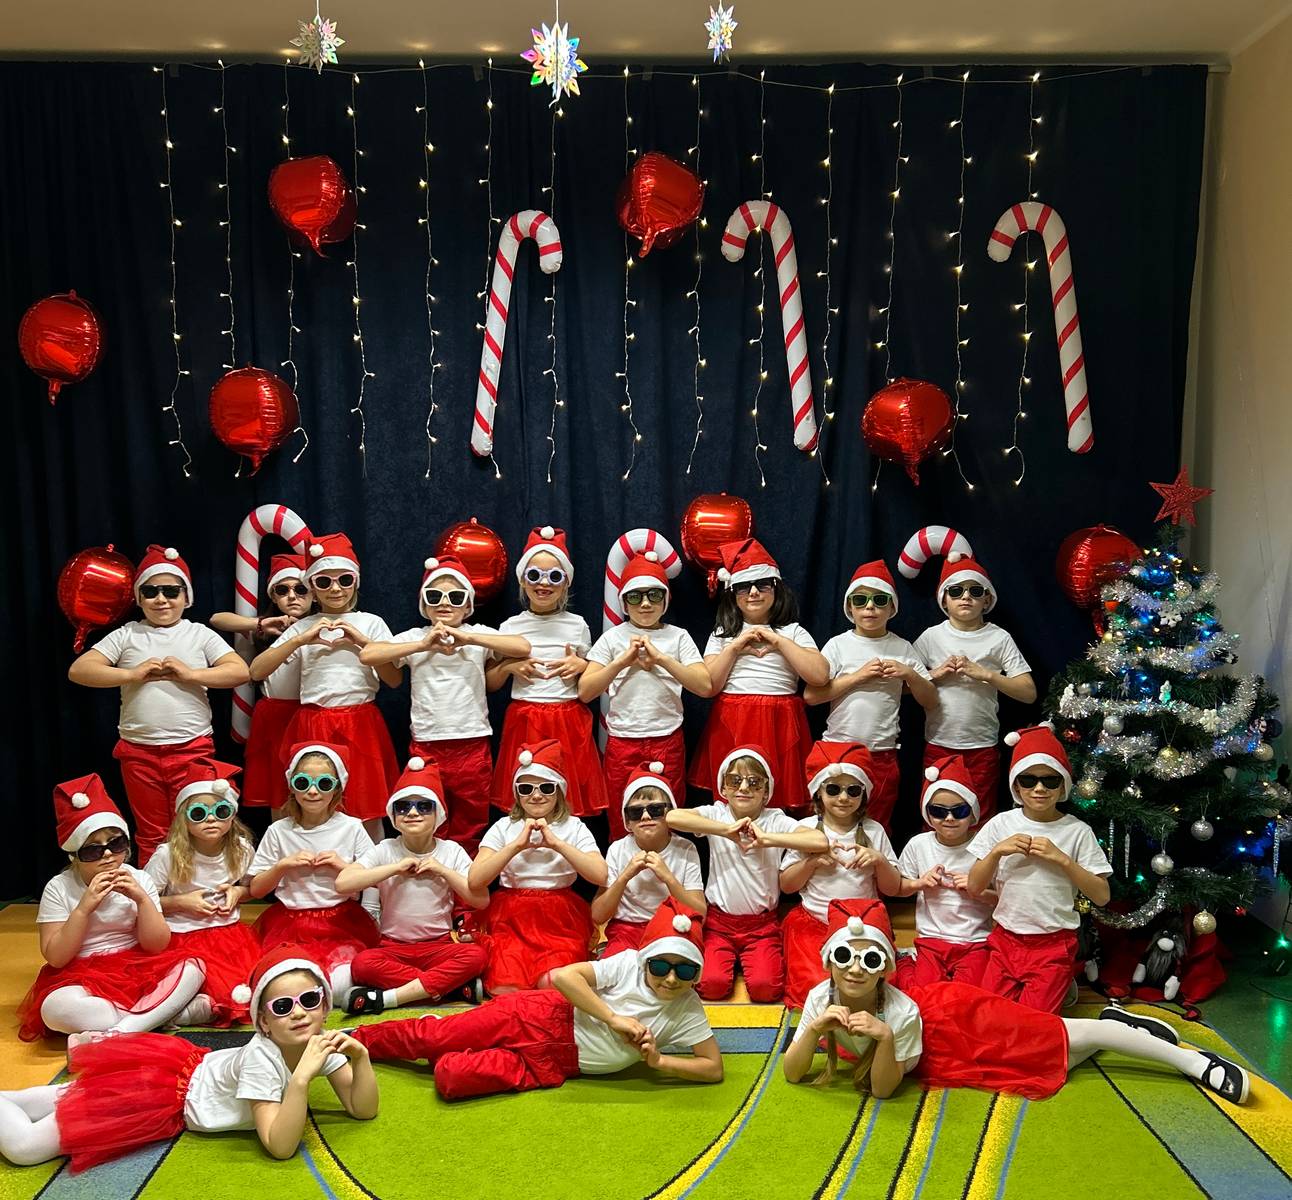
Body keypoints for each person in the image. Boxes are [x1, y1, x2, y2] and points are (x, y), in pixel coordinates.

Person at [783, 899, 1250, 1105]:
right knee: (1056, 1060)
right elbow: (793, 1072)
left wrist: (886, 1037)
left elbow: (884, 1090)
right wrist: (813, 1028)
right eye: (843, 956)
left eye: (870, 959)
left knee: (1059, 1037)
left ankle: (1190, 1061)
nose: (855, 969)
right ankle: (1121, 1028)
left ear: (885, 967)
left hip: (956, 1017)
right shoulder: (820, 997)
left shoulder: (899, 1011)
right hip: (937, 1053)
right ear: (828, 962)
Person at [0, 946, 379, 1172]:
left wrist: (360, 1059)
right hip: (164, 1094)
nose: (298, 1013)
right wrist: (300, 1081)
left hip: (177, 1072)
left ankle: (11, 1101)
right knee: (26, 1148)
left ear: (324, 1006)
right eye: (282, 1006)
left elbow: (362, 1109)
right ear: (263, 1021)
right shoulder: (261, 1058)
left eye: (309, 1000)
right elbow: (280, 1147)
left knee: (61, 1098)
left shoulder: (318, 1044)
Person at [349, 898, 722, 1100]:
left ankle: (455, 1041)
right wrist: (613, 1018)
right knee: (431, 1038)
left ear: (696, 976)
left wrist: (660, 1061)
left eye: (685, 971)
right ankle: (353, 1041)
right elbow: (564, 976)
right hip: (535, 1015)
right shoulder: (627, 964)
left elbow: (713, 1068)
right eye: (661, 966)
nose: (670, 979)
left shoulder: (686, 1008)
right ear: (646, 960)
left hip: (550, 1065)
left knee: (450, 1078)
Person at [67, 545, 248, 862]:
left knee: (197, 827)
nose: (161, 599)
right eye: (150, 592)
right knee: (151, 833)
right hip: (139, 752)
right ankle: (155, 890)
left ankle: (195, 888)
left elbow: (240, 671)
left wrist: (191, 674)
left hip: (192, 748)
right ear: (138, 599)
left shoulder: (199, 634)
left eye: (171, 591)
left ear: (186, 596)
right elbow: (79, 670)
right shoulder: (127, 634)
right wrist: (131, 674)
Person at [359, 554, 530, 855]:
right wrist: (423, 645)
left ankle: (465, 879)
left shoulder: (477, 634)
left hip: (472, 742)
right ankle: (430, 877)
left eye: (456, 597)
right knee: (427, 817)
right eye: (435, 596)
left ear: (468, 605)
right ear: (424, 604)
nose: (445, 603)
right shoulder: (416, 637)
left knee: (471, 820)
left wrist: (469, 638)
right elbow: (369, 654)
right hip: (427, 745)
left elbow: (522, 646)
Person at [18, 775, 205, 1043]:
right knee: (55, 1010)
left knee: (193, 967)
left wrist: (142, 900)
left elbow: (157, 945)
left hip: (138, 965)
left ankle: (121, 1031)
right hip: (81, 974)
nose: (107, 855)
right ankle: (163, 1015)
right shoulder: (59, 887)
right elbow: (56, 957)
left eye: (116, 844)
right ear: (74, 855)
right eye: (92, 850)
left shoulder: (139, 878)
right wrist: (83, 909)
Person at [250, 533, 401, 840]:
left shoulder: (371, 623)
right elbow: (256, 671)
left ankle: (368, 867)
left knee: (365, 805)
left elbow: (394, 679)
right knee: (313, 804)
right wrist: (300, 639)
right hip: (312, 723)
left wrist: (362, 642)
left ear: (355, 582)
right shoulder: (304, 626)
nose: (335, 588)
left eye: (344, 579)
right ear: (313, 587)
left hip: (360, 723)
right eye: (324, 581)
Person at [966, 726, 1112, 1012]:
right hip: (1005, 940)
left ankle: (1058, 981)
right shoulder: (1000, 824)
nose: (1039, 789)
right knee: (990, 1015)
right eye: (1029, 780)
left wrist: (1063, 860)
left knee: (1033, 1022)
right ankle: (1053, 985)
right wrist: (996, 852)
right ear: (1016, 786)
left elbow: (1102, 896)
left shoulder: (1077, 831)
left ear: (1063, 785)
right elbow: (974, 887)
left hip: (1053, 943)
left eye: (1050, 780)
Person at [667, 746, 829, 1002]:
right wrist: (725, 830)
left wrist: (767, 839)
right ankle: (731, 961)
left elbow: (819, 841)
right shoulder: (717, 813)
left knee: (767, 989)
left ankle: (748, 960)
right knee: (711, 986)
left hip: (761, 925)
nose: (743, 788)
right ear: (724, 788)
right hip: (719, 923)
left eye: (754, 783)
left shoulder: (774, 819)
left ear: (766, 792)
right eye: (735, 781)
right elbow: (673, 817)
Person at [335, 756, 489, 1014]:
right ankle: (448, 989)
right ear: (394, 815)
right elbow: (343, 883)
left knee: (476, 956)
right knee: (362, 964)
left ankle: (388, 998)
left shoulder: (451, 850)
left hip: (439, 946)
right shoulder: (385, 849)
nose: (413, 813)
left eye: (424, 806)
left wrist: (443, 871)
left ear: (438, 814)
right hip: (393, 947)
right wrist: (394, 868)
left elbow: (481, 900)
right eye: (403, 807)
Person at [688, 539, 827, 815]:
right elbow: (709, 685)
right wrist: (735, 647)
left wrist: (779, 641)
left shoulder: (793, 631)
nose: (753, 592)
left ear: (776, 588)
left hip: (780, 722)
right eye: (744, 586)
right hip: (733, 721)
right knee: (735, 795)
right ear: (733, 593)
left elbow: (820, 676)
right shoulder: (722, 634)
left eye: (762, 585)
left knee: (776, 799)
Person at [580, 550, 710, 841]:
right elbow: (586, 691)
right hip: (622, 743)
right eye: (636, 596)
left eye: (654, 594)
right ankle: (623, 868)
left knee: (669, 817)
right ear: (624, 603)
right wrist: (622, 662)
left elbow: (704, 686)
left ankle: (668, 868)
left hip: (667, 740)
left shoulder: (678, 636)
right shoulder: (613, 638)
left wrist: (661, 659)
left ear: (665, 599)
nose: (646, 603)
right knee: (622, 816)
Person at [804, 559, 936, 831]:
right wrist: (858, 677)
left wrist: (910, 674)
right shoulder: (838, 645)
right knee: (828, 826)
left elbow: (931, 700)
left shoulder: (902, 647)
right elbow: (811, 696)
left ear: (892, 607)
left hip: (881, 754)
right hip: (837, 750)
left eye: (879, 600)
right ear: (850, 607)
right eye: (861, 600)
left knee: (875, 827)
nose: (870, 607)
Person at [487, 526, 607, 819]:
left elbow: (593, 677)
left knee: (567, 798)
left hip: (568, 718)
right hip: (525, 719)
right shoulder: (510, 627)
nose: (544, 583)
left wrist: (583, 665)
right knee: (527, 794)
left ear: (565, 583)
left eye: (554, 576)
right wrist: (509, 666)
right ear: (522, 580)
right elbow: (489, 683)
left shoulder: (577, 625)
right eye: (534, 575)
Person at [469, 740, 608, 994]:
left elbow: (600, 875)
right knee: (505, 987)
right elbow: (475, 880)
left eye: (546, 787)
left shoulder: (574, 826)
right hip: (511, 917)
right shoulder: (503, 827)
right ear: (517, 793)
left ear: (559, 791)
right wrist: (516, 846)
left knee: (555, 984)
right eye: (526, 788)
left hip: (560, 917)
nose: (536, 795)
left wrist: (557, 844)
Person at [247, 743, 380, 999]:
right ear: (291, 786)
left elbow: (375, 881)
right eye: (302, 782)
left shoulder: (351, 827)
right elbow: (257, 889)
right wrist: (283, 866)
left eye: (324, 784)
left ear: (338, 788)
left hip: (341, 923)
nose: (312, 791)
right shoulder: (279, 830)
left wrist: (342, 866)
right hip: (289, 923)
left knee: (339, 986)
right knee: (284, 980)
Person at [914, 554, 1036, 821]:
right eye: (956, 591)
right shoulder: (931, 637)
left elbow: (1028, 693)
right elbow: (902, 686)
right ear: (944, 599)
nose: (966, 597)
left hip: (982, 747)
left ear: (987, 600)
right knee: (937, 818)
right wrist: (934, 674)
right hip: (938, 744)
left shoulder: (999, 637)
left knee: (979, 819)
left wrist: (987, 675)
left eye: (975, 591)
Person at [780, 742, 901, 1008]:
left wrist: (879, 861)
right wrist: (810, 864)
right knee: (814, 986)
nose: (843, 798)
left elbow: (892, 889)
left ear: (863, 794)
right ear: (819, 792)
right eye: (834, 789)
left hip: (863, 924)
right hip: (815, 921)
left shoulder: (874, 830)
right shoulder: (805, 829)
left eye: (853, 790)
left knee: (881, 986)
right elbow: (786, 885)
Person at [143, 760, 262, 1025]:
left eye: (221, 811)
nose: (210, 819)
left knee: (248, 992)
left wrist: (238, 893)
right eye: (199, 813)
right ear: (183, 819)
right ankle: (179, 1010)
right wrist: (180, 902)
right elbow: (143, 902)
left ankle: (191, 1011)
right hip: (180, 937)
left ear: (232, 815)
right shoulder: (167, 855)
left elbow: (253, 888)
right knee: (182, 985)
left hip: (230, 938)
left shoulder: (241, 849)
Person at [212, 552, 313, 813]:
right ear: (273, 596)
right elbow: (217, 619)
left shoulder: (320, 625)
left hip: (308, 715)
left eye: (301, 589)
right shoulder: (268, 627)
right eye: (283, 590)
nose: (292, 596)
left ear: (314, 592)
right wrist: (259, 623)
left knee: (310, 785)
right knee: (277, 790)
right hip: (273, 715)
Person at [893, 756, 996, 989]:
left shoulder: (985, 847)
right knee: (922, 993)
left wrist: (977, 889)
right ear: (927, 813)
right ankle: (905, 961)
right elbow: (897, 889)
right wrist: (919, 883)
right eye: (938, 811)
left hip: (975, 941)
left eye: (959, 811)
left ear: (973, 812)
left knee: (967, 994)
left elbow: (1004, 900)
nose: (949, 818)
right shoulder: (919, 844)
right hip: (931, 939)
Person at [591, 761, 705, 958]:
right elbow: (598, 915)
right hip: (626, 930)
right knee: (617, 972)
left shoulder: (685, 848)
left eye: (655, 809)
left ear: (670, 815)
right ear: (627, 821)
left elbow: (700, 914)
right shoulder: (618, 849)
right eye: (635, 812)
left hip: (671, 927)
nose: (645, 817)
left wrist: (668, 878)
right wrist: (624, 876)